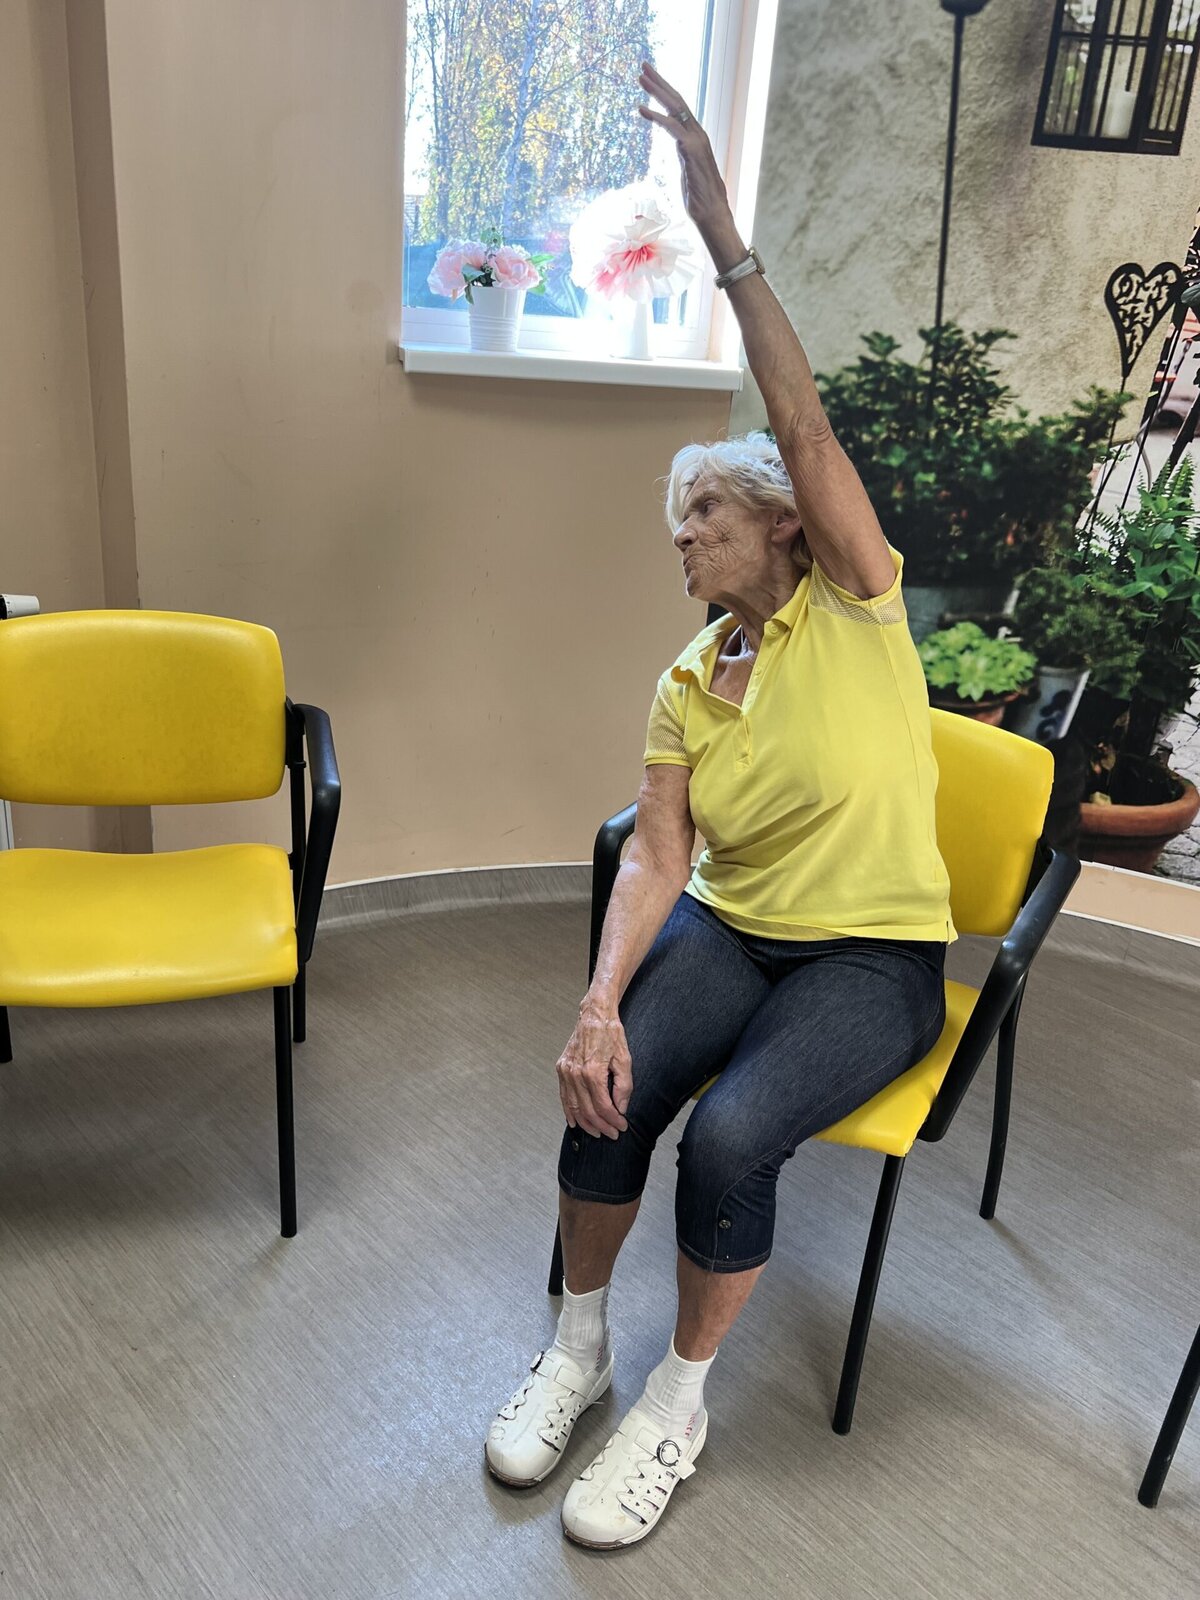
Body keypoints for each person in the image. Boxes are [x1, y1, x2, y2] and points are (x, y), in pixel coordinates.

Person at [485, 60, 956, 1550]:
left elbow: (802, 420)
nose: (680, 537)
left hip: (872, 956)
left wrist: (719, 235)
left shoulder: (856, 604)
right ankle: (578, 1350)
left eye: (705, 511)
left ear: (781, 525)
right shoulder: (690, 678)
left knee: (732, 1139)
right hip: (734, 927)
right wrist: (596, 1006)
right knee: (607, 1087)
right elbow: (657, 855)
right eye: (676, 519)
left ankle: (674, 1407)